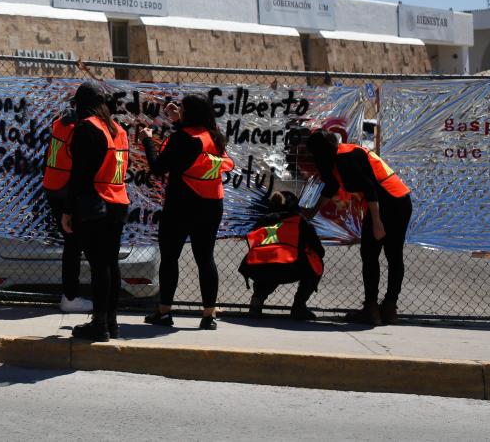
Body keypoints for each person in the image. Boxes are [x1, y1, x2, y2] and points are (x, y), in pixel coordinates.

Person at [137, 94, 234, 330]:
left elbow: (158, 168)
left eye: (181, 108)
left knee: (170, 257)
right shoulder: (215, 137)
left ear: (189, 112)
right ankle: (208, 315)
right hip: (211, 204)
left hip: (181, 205)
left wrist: (147, 141)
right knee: (205, 258)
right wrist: (178, 120)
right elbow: (192, 146)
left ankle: (164, 312)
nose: (178, 110)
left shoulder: (182, 139)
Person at [302, 128, 413, 325]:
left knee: (380, 254)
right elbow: (332, 187)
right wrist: (313, 211)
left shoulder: (346, 158)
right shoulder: (335, 159)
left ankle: (381, 308)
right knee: (376, 255)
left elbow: (370, 189)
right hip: (394, 200)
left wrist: (377, 223)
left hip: (391, 201)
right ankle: (379, 309)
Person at [60, 83, 131, 342]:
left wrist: (68, 210)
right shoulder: (118, 130)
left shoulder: (86, 128)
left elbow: (79, 174)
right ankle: (111, 321)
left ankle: (99, 324)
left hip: (95, 203)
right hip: (118, 201)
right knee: (111, 263)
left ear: (81, 103)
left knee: (99, 265)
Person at [240, 191, 324, 321]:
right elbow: (320, 250)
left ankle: (257, 302)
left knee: (267, 261)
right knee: (316, 262)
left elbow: (252, 244)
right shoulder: (300, 222)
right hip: (290, 268)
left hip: (258, 269)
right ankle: (298, 306)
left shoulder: (263, 220)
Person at [42, 102, 90, 314]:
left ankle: (70, 295)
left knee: (73, 244)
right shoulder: (76, 130)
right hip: (65, 189)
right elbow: (81, 166)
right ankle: (70, 296)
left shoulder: (59, 125)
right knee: (74, 244)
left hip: (53, 186)